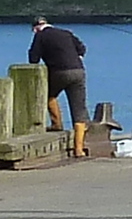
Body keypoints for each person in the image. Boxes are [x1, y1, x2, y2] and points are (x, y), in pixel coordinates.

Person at [25, 17, 90, 152]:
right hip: (78, 71)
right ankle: (79, 149)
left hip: (59, 72)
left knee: (48, 96)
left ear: (36, 28)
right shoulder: (66, 33)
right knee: (79, 110)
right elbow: (82, 49)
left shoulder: (40, 36)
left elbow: (33, 59)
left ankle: (56, 124)